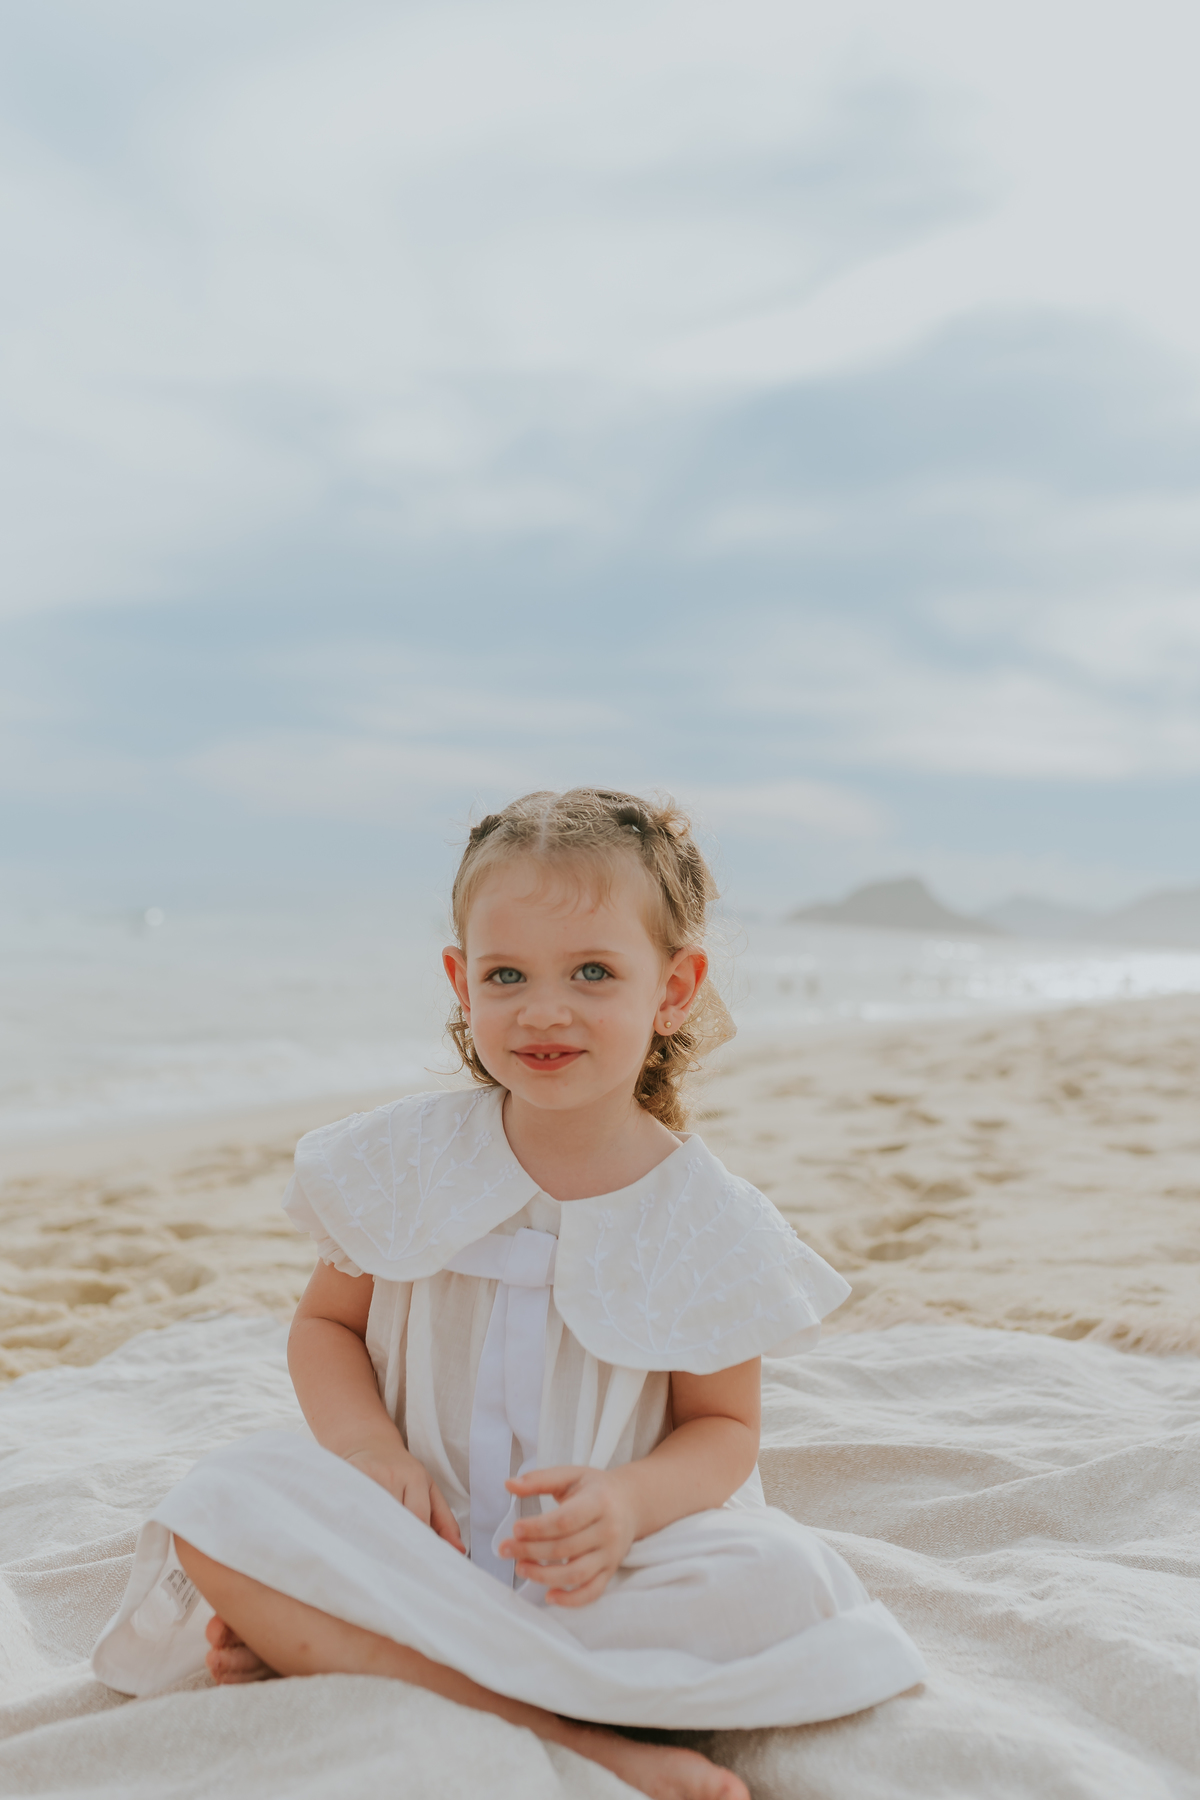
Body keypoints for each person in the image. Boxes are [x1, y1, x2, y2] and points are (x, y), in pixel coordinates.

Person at [94, 789, 925, 1800]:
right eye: (506, 975)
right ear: (461, 983)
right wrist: (369, 1450)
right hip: (420, 1543)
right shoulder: (406, 1160)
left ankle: (370, 1657)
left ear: (673, 989)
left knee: (777, 1578)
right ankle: (570, 1726)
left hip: (600, 1570)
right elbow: (326, 1327)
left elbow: (723, 1430)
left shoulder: (704, 1218)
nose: (543, 1009)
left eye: (592, 973)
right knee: (219, 1503)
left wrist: (626, 1504)